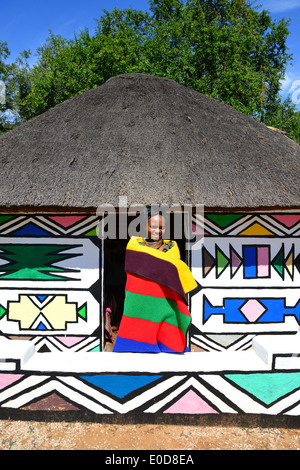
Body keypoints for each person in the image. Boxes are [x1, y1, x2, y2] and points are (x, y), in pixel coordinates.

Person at [113, 206, 198, 353]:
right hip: (140, 306)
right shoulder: (135, 246)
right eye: (153, 226)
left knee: (170, 344)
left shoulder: (172, 247)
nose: (157, 231)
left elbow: (173, 276)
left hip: (165, 305)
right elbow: (135, 280)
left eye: (161, 227)